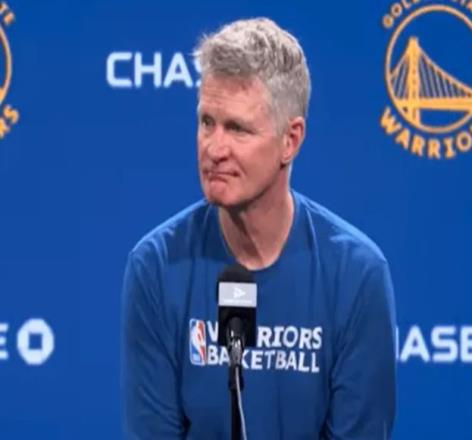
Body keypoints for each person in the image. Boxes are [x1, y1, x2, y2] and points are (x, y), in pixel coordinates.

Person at [121, 17, 397, 440]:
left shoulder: (356, 276)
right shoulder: (157, 267)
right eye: (206, 122)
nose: (214, 148)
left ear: (291, 140)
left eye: (237, 128)